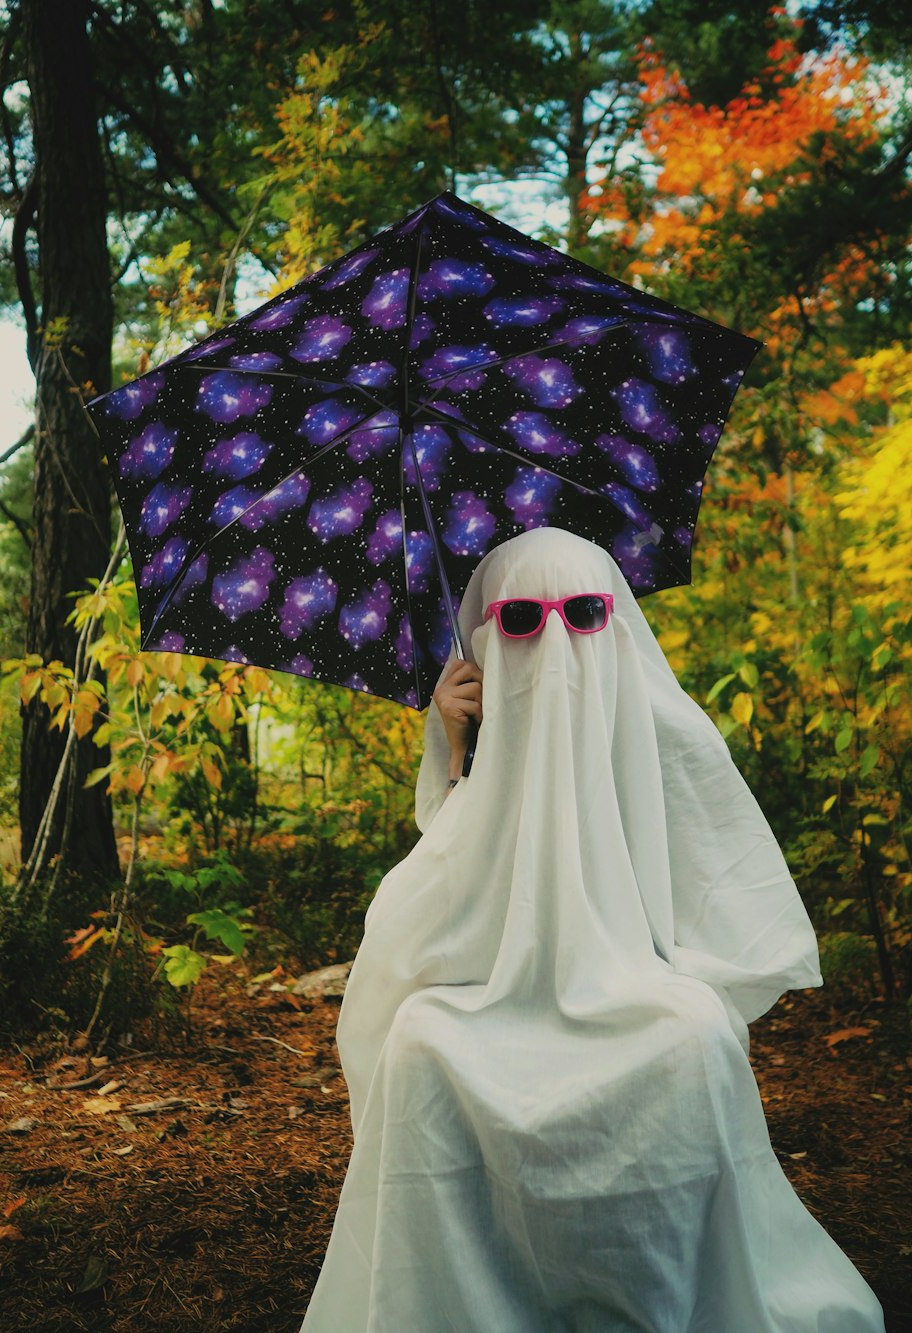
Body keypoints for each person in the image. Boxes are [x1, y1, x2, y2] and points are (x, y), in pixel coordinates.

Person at [300, 526, 885, 1332]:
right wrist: (458, 743)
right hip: (488, 995)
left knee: (696, 1034)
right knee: (418, 1043)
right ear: (483, 636)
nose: (554, 639)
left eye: (582, 613)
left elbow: (715, 849)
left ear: (613, 622)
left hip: (630, 980)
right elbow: (439, 879)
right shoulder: (479, 742)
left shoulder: (647, 727)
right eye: (519, 621)